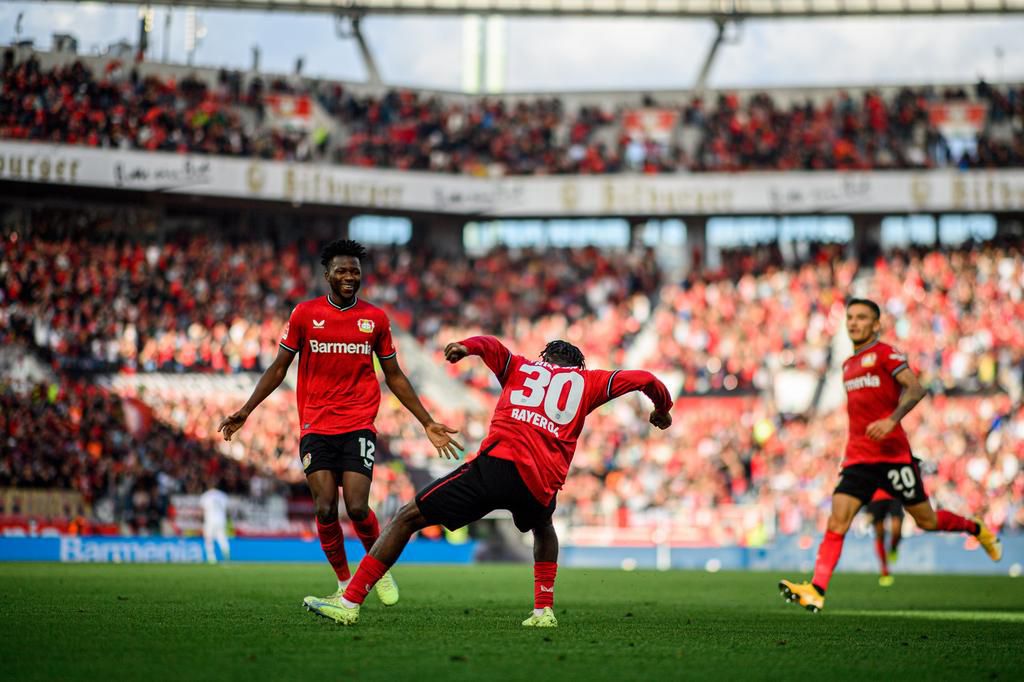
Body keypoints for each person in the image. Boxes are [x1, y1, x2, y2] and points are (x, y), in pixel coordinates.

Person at [307, 335, 673, 627]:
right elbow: (647, 380)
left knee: (407, 517)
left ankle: (350, 601)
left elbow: (492, 346)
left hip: (497, 466)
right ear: (578, 367)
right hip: (540, 483)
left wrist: (466, 347)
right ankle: (543, 611)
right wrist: (661, 410)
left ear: (544, 359)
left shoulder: (522, 366)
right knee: (544, 525)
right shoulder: (589, 382)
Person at [217, 239, 462, 609]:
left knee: (359, 508)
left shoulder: (376, 319)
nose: (350, 277)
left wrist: (427, 421)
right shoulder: (304, 314)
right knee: (326, 509)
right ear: (327, 274)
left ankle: (378, 568)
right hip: (315, 425)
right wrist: (247, 410)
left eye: (355, 271)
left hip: (358, 423)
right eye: (342, 270)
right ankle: (344, 583)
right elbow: (279, 367)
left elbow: (394, 375)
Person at [779, 298, 1001, 613]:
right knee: (837, 520)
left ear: (876, 325)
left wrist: (892, 419)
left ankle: (976, 528)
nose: (854, 322)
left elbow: (915, 388)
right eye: (851, 317)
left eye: (862, 318)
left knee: (927, 520)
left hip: (893, 457)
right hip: (858, 458)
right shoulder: (847, 365)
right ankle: (816, 590)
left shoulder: (885, 353)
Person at [865, 489, 902, 587]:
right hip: (875, 497)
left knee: (897, 530)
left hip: (893, 493)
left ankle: (893, 547)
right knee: (880, 535)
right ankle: (885, 570)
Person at [199, 481, 230, 564]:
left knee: (209, 539)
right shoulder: (223, 495)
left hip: (210, 520)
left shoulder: (205, 496)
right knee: (222, 538)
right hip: (221, 520)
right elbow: (226, 510)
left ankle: (211, 558)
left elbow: (202, 510)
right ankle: (226, 556)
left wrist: (201, 520)